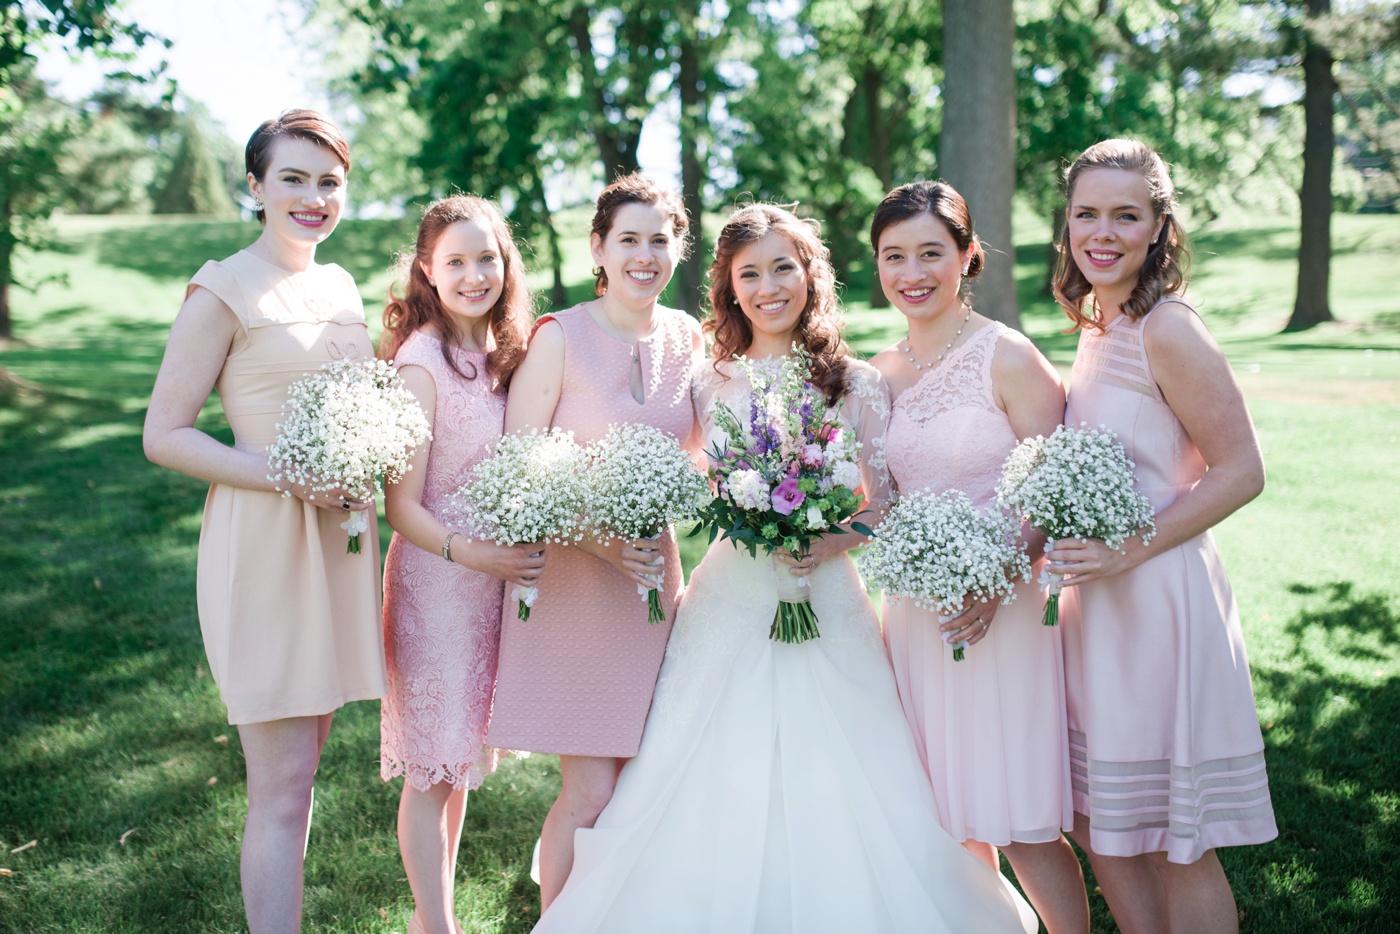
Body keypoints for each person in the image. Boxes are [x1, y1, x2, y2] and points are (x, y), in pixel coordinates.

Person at [531, 204, 1037, 933]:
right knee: (699, 759)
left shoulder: (856, 382)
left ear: (810, 275)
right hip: (730, 597)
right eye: (750, 274)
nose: (769, 287)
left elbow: (881, 504)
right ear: (730, 289)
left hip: (826, 599)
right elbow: (693, 474)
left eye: (783, 268)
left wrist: (829, 540)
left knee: (847, 761)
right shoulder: (710, 381)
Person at [142, 110, 384, 933]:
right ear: (255, 186)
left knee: (303, 776)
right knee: (279, 788)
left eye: (329, 182)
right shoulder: (223, 288)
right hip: (268, 547)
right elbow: (163, 435)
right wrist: (291, 477)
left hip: (339, 544)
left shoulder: (343, 286)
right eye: (293, 178)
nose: (313, 197)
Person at [1046, 139, 1278, 934]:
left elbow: (1242, 470)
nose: (1101, 232)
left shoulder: (1168, 329)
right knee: (1103, 823)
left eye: (1125, 215)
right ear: (1067, 224)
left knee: (1180, 844)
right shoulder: (1097, 320)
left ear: (1157, 228)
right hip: (1096, 609)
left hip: (1160, 604)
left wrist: (1130, 548)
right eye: (1086, 214)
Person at [869, 181, 1089, 934]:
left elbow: (1058, 484)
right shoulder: (879, 373)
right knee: (947, 816)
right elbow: (878, 499)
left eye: (931, 252)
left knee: (1022, 819)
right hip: (915, 616)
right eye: (894, 256)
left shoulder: (1009, 356)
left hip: (1006, 610)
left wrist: (999, 575)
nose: (913, 272)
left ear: (967, 256)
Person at [485, 173, 703, 911]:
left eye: (660, 240)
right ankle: (558, 921)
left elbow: (704, 456)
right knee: (591, 786)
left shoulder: (688, 337)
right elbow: (511, 474)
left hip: (651, 584)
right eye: (629, 240)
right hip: (573, 583)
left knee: (639, 778)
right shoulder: (560, 336)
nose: (645, 255)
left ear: (679, 248)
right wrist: (604, 541)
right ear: (599, 250)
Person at [377, 196, 545, 934]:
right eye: (456, 262)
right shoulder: (421, 364)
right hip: (437, 583)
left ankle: (429, 919)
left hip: (491, 589)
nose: (475, 275)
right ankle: (436, 925)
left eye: (487, 258)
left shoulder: (508, 353)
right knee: (428, 769)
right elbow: (401, 507)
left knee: (460, 762)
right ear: (427, 272)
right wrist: (475, 554)